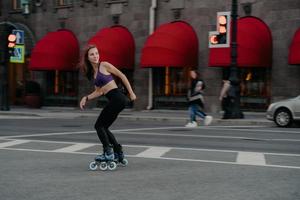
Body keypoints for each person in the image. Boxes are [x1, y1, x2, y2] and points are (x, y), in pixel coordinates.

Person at [79, 44, 136, 164]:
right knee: (103, 127)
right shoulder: (93, 74)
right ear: (87, 58)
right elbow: (99, 91)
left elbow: (122, 75)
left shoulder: (104, 65)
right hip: (115, 100)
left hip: (118, 97)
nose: (95, 56)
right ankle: (118, 152)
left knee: (98, 126)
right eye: (92, 54)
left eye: (96, 53)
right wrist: (86, 98)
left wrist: (131, 93)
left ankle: (108, 152)